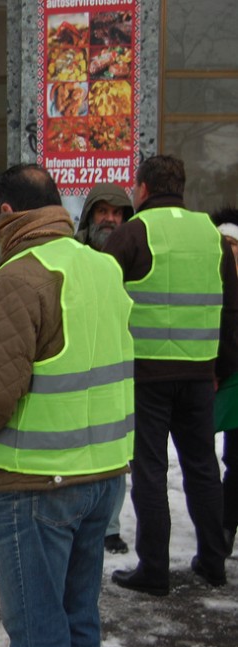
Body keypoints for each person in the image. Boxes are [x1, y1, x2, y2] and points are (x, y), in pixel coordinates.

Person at [0, 164, 133, 647]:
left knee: (39, 633)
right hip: (104, 475)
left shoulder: (20, 276)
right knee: (79, 618)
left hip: (39, 484)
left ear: (5, 212)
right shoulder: (101, 267)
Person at [104, 155, 237, 596]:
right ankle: (214, 562)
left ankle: (154, 570)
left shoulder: (133, 233)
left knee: (150, 471)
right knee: (203, 467)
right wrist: (222, 369)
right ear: (181, 187)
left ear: (142, 189)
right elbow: (230, 310)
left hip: (146, 376)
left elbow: (101, 295)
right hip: (200, 376)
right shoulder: (211, 236)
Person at [77, 182, 135, 555]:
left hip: (119, 367)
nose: (110, 220)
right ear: (89, 216)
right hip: (76, 365)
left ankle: (109, 526)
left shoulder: (135, 253)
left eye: (117, 214)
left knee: (117, 450)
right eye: (103, 212)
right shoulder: (74, 250)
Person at [212, 206, 238, 557]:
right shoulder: (209, 283)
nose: (228, 251)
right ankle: (223, 530)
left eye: (233, 244)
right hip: (220, 381)